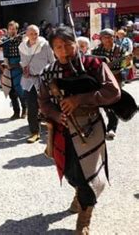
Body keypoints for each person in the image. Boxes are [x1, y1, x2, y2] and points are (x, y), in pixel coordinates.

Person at [38, 26, 120, 235]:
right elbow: (45, 103)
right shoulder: (48, 73)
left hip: (90, 128)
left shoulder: (93, 64)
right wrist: (57, 115)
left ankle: (84, 218)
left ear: (76, 43)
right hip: (62, 130)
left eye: (68, 45)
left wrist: (79, 99)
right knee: (70, 172)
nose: (64, 51)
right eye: (58, 47)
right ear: (53, 50)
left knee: (88, 176)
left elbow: (113, 91)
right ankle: (79, 193)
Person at [19, 25, 55, 143]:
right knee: (32, 106)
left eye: (36, 34)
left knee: (50, 105)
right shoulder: (22, 47)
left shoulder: (45, 45)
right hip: (29, 81)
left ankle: (54, 129)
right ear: (27, 34)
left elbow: (52, 62)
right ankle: (34, 132)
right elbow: (23, 62)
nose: (34, 36)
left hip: (44, 80)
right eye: (31, 34)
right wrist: (24, 68)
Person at [92, 28, 126, 140]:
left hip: (116, 79)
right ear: (101, 39)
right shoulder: (96, 51)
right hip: (101, 80)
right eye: (105, 37)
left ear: (114, 37)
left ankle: (111, 128)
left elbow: (126, 65)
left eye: (110, 37)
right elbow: (93, 66)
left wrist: (122, 66)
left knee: (113, 104)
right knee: (102, 105)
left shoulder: (120, 50)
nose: (107, 39)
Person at [2, 21, 27, 119]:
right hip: (8, 66)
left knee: (20, 89)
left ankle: (25, 109)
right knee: (11, 91)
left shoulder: (21, 39)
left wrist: (16, 65)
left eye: (14, 29)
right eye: (10, 29)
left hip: (19, 66)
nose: (12, 31)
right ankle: (16, 112)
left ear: (17, 30)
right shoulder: (6, 40)